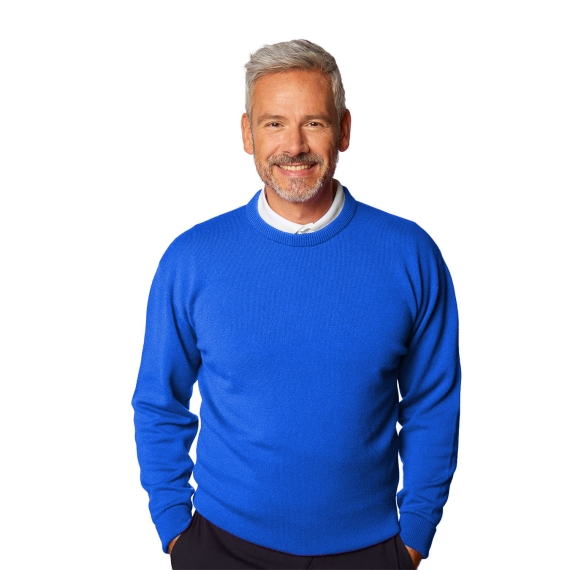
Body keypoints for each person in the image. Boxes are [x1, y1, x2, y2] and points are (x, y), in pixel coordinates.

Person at [132, 39, 461, 570]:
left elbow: (433, 404)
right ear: (247, 134)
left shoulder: (409, 255)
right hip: (221, 545)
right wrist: (175, 529)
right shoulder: (192, 259)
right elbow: (158, 401)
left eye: (314, 122)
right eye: (274, 123)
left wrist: (416, 534)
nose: (295, 145)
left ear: (344, 130)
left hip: (371, 550)